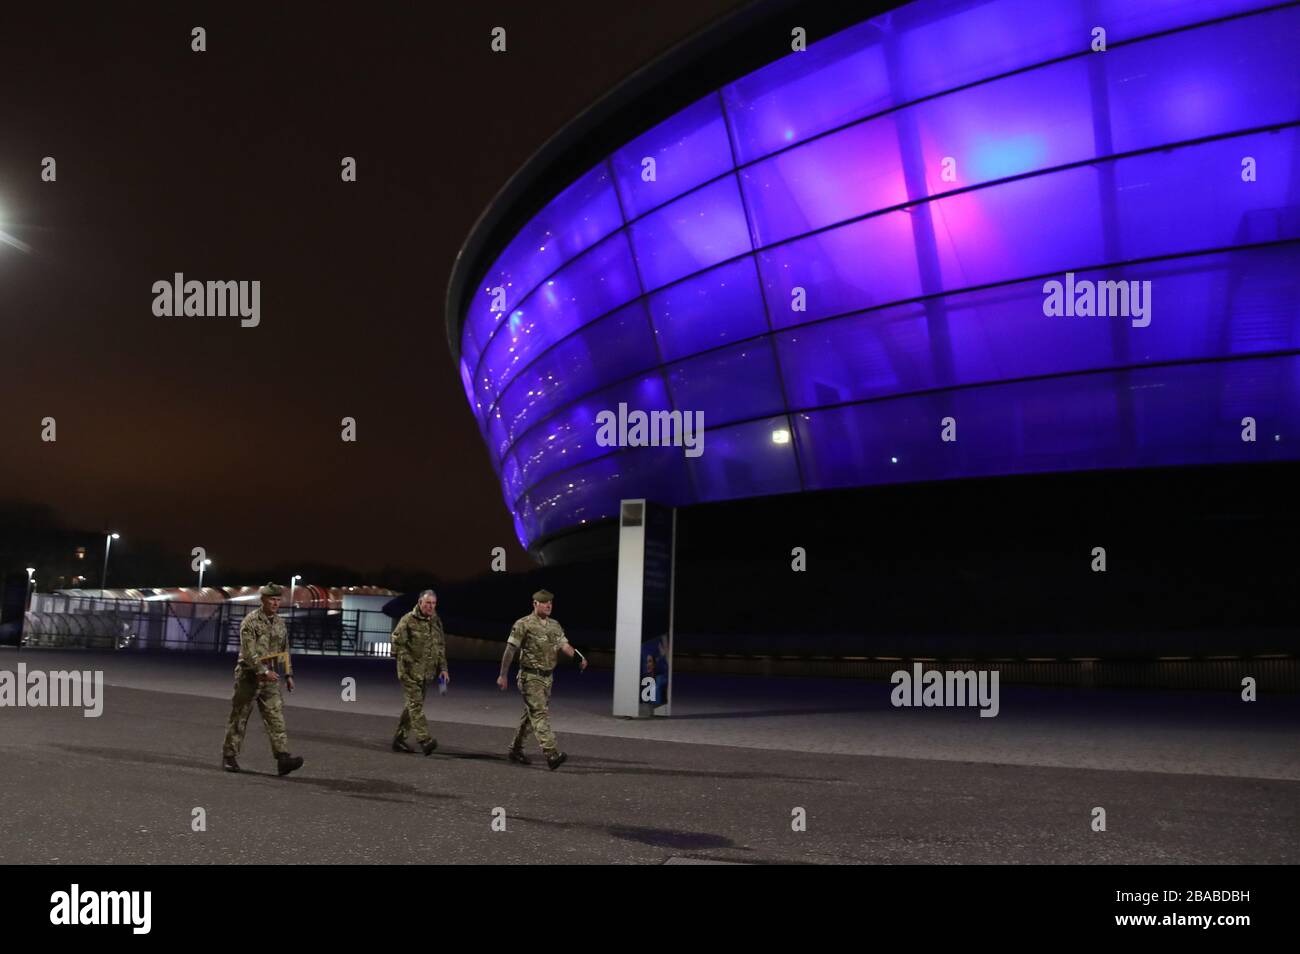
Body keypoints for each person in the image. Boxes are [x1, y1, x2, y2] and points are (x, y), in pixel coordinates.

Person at [496, 588, 585, 770]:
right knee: (540, 714)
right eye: (545, 603)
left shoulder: (554, 625)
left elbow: (564, 645)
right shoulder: (523, 624)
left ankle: (515, 749)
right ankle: (551, 753)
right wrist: (503, 674)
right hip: (530, 677)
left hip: (547, 678)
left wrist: (579, 657)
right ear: (535, 604)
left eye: (550, 602)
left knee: (530, 716)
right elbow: (510, 650)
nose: (549, 605)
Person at [222, 584, 304, 775]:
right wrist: (262, 670)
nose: (275, 603)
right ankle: (229, 756)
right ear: (263, 600)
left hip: (271, 679)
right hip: (249, 677)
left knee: (276, 718)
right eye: (271, 599)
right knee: (239, 717)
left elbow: (284, 650)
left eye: (278, 600)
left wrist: (289, 674)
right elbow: (249, 652)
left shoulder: (280, 623)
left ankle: (283, 758)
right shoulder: (250, 622)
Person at [391, 589, 447, 755]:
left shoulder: (436, 621)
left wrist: (443, 669)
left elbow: (440, 647)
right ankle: (425, 740)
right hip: (409, 672)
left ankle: (399, 739)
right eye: (428, 603)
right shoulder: (408, 620)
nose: (431, 606)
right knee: (416, 705)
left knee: (412, 706)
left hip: (426, 673)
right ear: (420, 602)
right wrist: (408, 660)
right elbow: (395, 643)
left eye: (433, 603)